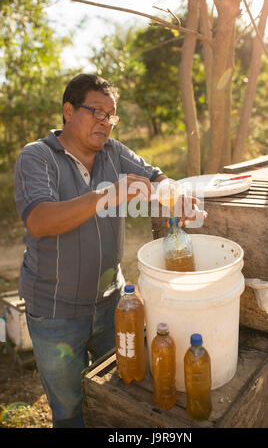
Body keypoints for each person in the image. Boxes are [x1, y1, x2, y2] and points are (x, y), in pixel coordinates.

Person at [14, 73, 199, 428]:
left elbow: (156, 176)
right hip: (55, 312)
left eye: (111, 115)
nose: (105, 122)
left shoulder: (115, 153)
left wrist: (178, 196)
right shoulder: (37, 157)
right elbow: (39, 220)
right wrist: (108, 195)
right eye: (96, 111)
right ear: (69, 111)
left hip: (114, 304)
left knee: (119, 394)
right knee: (70, 411)